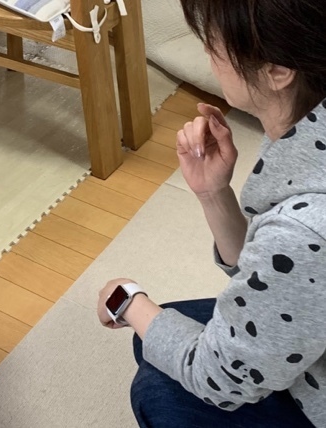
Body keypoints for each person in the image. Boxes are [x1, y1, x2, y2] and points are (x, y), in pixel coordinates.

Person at [96, 0, 326, 427]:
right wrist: (212, 193)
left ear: (278, 71)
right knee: (157, 338)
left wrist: (126, 301)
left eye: (215, 42)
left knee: (158, 391)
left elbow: (218, 380)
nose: (205, 51)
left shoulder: (305, 227)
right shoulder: (311, 120)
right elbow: (280, 273)